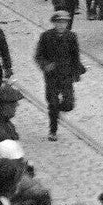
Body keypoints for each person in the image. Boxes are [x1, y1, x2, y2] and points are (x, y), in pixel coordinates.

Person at [34, 10, 85, 141]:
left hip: (66, 75)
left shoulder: (71, 37)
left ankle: (56, 111)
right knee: (52, 103)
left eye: (64, 23)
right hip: (51, 76)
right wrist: (45, 65)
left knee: (69, 104)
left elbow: (75, 56)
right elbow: (38, 55)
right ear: (54, 23)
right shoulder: (46, 36)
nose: (62, 25)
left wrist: (77, 72)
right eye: (59, 23)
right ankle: (53, 130)